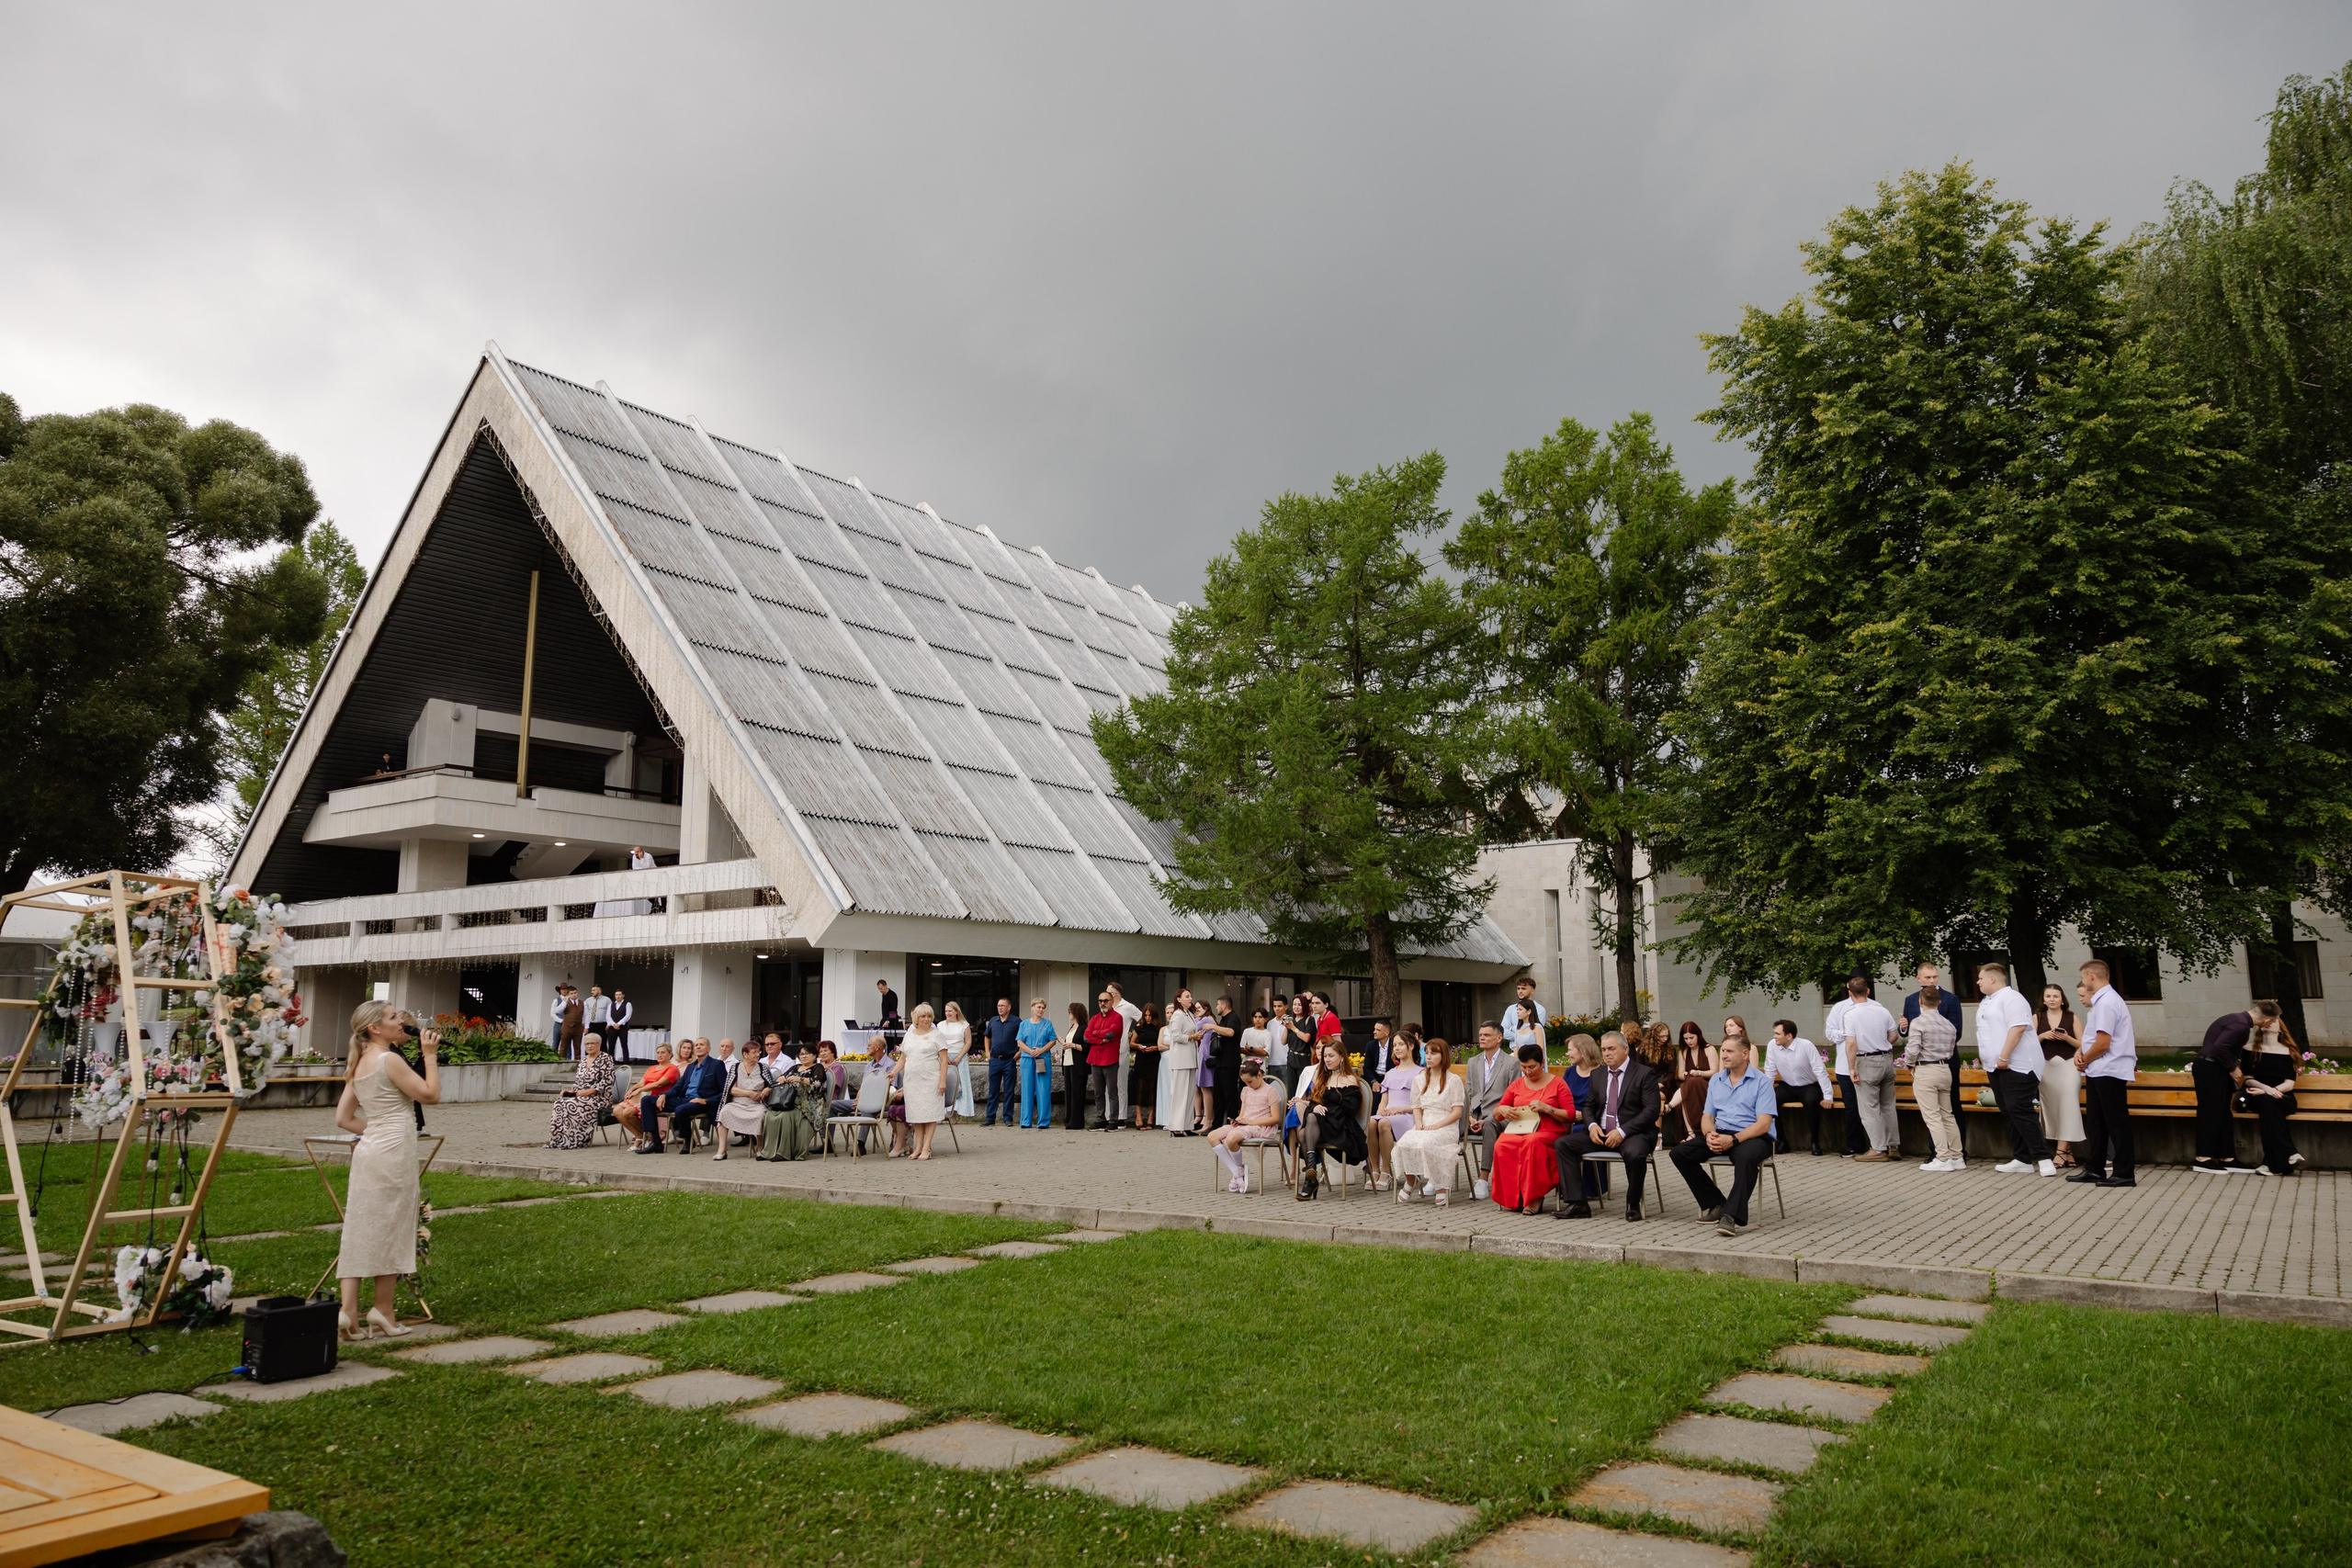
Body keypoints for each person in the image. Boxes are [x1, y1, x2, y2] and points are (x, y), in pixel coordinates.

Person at [334, 1001, 442, 1340]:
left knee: (361, 1227)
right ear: (375, 1028)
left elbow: (343, 1119)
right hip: (394, 1151)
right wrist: (430, 1055)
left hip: (369, 1152)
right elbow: (430, 1095)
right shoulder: (388, 1059)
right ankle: (383, 1310)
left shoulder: (359, 1061)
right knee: (393, 1227)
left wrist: (376, 1131)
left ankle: (347, 1311)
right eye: (393, 1017)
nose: (402, 1022)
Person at [1669, 1032, 1777, 1236]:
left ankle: (1731, 1216)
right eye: (1722, 1051)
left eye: (1729, 1051)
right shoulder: (1717, 1080)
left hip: (1753, 1136)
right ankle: (1716, 1204)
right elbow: (1707, 1116)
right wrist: (1710, 1134)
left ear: (1745, 1054)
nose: (1724, 1055)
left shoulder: (1762, 1082)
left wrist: (1734, 1139)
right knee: (1680, 1154)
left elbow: (1764, 1124)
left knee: (1745, 1158)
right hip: (1722, 1133)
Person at [1558, 1030, 1663, 1222]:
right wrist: (1591, 1126)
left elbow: (1651, 1112)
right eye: (1604, 1049)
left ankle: (1632, 1204)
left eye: (1611, 1049)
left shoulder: (1644, 1074)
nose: (1606, 1053)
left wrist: (1622, 1132)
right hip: (1602, 1132)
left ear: (1625, 1049)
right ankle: (1578, 1203)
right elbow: (1589, 1105)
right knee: (1564, 1145)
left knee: (1635, 1153)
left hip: (1633, 1133)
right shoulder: (1598, 1074)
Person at [2055, 958, 2139, 1188]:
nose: (2083, 982)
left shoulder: (2108, 1002)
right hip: (2098, 1069)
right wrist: (2081, 1053)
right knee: (2097, 1123)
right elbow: (2093, 1037)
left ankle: (2124, 1173)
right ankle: (2095, 1168)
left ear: (2091, 976)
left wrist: (2084, 1060)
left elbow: (2103, 1043)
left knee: (2116, 1123)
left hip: (2109, 1069)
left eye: (2083, 978)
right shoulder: (2101, 1002)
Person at [1974, 962, 2053, 1177]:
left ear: (1993, 979)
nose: (1977, 981)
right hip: (1996, 1066)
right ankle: (2022, 1159)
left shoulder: (2012, 998)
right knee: (2009, 1111)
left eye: (1980, 978)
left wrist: (2004, 1055)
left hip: (2018, 1064)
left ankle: (2044, 1158)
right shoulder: (1987, 1002)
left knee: (2020, 1108)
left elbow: (2017, 1028)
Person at [1487, 1041, 1575, 1214]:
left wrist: (1547, 1109)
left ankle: (1535, 1196)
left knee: (1533, 1143)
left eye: (1532, 1067)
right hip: (1519, 1129)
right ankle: (1514, 1197)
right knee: (1502, 1144)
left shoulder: (1558, 1084)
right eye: (1524, 1067)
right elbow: (1497, 1114)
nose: (1528, 1072)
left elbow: (1570, 1115)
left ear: (1542, 1063)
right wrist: (1502, 1110)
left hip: (1548, 1131)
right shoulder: (1517, 1084)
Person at [2188, 1000, 2271, 1174]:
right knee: (2210, 1112)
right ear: (2266, 1019)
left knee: (2223, 1113)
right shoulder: (2240, 1026)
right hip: (2210, 1069)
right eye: (2272, 1020)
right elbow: (2220, 1048)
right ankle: (2202, 1159)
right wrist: (2233, 1069)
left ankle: (2227, 1157)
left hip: (2214, 1068)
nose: (2270, 1024)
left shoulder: (2236, 1020)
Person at [1390, 1042, 1464, 1205]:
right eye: (1427, 1053)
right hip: (1425, 1123)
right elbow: (1416, 1106)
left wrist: (1437, 1126)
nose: (1429, 1057)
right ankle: (1411, 1180)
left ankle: (1441, 1186)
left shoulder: (1454, 1080)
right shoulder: (1419, 1079)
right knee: (1403, 1144)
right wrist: (1418, 1121)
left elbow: (1457, 1112)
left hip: (1446, 1125)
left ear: (1443, 1056)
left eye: (1434, 1053)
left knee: (1427, 1144)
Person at [1293, 1040, 1367, 1200]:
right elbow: (1313, 1102)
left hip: (1341, 1126)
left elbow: (1349, 1108)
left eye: (1331, 1056)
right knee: (1305, 1127)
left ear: (1341, 1057)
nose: (1327, 1059)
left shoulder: (1350, 1079)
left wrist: (1322, 1111)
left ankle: (1310, 1177)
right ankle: (1311, 1174)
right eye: (1325, 1056)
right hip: (1322, 1126)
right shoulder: (1323, 1079)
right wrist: (1315, 1107)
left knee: (1305, 1129)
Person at [1837, 979, 1899, 1161]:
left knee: (1869, 1108)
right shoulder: (1882, 1010)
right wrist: (1885, 1046)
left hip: (1866, 1061)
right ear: (1868, 991)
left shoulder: (1850, 1014)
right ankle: (1893, 1146)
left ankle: (1878, 1149)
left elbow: (1851, 1043)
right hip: (1886, 1059)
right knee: (1888, 1105)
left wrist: (1851, 1067)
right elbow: (1894, 1035)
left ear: (1850, 993)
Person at [2237, 1009, 2305, 1177]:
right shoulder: (2248, 1049)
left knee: (2270, 1105)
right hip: (2256, 1095)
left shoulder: (2289, 1051)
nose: (2269, 1022)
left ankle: (2273, 1163)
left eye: (2273, 1020)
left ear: (2280, 1028)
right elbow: (2248, 1078)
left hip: (2283, 1097)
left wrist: (2273, 1091)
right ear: (2260, 1025)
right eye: (2266, 1019)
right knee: (2268, 1104)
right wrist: (2266, 1090)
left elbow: (2289, 1084)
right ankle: (2288, 1154)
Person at [1902, 994, 1965, 1170]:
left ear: (1920, 1002)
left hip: (1926, 1070)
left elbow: (1913, 1047)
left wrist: (1908, 1063)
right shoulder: (1948, 1024)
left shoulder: (1918, 1022)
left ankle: (1943, 1158)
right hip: (1945, 1069)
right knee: (1947, 1114)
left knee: (1932, 1116)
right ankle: (1957, 1156)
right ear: (1939, 1002)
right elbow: (1952, 1048)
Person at [1207, 1060, 1285, 1193]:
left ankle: (1238, 1173)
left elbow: (1275, 1118)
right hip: (1245, 1125)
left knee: (1232, 1138)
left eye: (1250, 1081)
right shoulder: (1246, 1090)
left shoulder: (1270, 1091)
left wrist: (1251, 1122)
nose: (1248, 1085)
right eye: (1245, 1082)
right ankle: (1237, 1171)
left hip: (1260, 1127)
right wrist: (1237, 1121)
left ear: (1259, 1075)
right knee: (1212, 1136)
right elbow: (1242, 1113)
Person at [2035, 983, 2084, 1169]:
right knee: (2053, 1108)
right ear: (2044, 999)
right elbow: (2029, 1042)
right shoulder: (2037, 1017)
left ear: (2062, 999)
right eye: (2048, 996)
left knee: (2069, 1104)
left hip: (2069, 1065)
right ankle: (2067, 1152)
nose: (2052, 999)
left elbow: (2082, 1043)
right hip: (2047, 1067)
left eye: (2056, 996)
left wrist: (2067, 1039)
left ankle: (2060, 1152)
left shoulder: (2072, 1017)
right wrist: (2043, 1036)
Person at [1462, 1021, 1514, 1196]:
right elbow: (1469, 1094)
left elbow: (1512, 1098)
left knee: (1490, 1124)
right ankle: (1437, 1179)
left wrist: (1486, 1119)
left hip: (1501, 1115)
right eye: (1481, 1035)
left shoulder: (1511, 1063)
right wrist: (1469, 1117)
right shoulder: (1473, 1062)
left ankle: (1483, 1180)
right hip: (1475, 1115)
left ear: (1499, 1038)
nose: (1482, 1038)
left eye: (1487, 1035)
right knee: (1449, 1123)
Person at [1822, 975, 1871, 1157]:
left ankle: (1877, 1145)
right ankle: (1855, 1145)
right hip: (1845, 1065)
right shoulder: (1839, 1008)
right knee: (1851, 1107)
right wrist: (1847, 1032)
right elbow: (1830, 1033)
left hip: (1868, 1063)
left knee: (1871, 1105)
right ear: (1849, 991)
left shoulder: (1875, 1007)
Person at [895, 1003, 952, 1160]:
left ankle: (927, 1147)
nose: (926, 1019)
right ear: (916, 1018)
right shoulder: (910, 1034)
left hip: (931, 1080)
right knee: (917, 1115)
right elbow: (903, 1058)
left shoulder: (937, 1035)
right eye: (923, 1016)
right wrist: (893, 1072)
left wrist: (942, 1081)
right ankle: (918, 1147)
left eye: (929, 1016)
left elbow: (944, 1061)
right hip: (912, 1081)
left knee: (930, 1113)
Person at [1763, 1021, 1828, 1157]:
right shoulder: (1772, 1046)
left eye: (1777, 1033)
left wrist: (1828, 1096)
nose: (1774, 1036)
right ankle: (1782, 1142)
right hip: (1788, 1086)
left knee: (1811, 1101)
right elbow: (1770, 1071)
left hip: (1809, 1085)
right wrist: (1766, 1094)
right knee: (1771, 1102)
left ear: (1789, 1036)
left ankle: (1815, 1142)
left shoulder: (1806, 1045)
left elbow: (1820, 1070)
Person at [1557, 1035, 1610, 1202]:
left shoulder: (1602, 1073)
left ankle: (1591, 1188)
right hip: (1569, 1119)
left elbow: (1605, 1103)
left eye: (1570, 1049)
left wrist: (1584, 1116)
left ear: (1582, 1050)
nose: (1567, 1054)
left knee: (1577, 1136)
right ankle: (1563, 1185)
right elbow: (1561, 1097)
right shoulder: (1570, 1072)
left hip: (1593, 1121)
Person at [654, 1038, 726, 1155]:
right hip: (685, 1099)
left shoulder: (716, 1065)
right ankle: (655, 1142)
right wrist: (663, 1095)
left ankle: (688, 1140)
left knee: (681, 1110)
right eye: (696, 1045)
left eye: (701, 1045)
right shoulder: (691, 1066)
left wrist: (706, 1100)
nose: (697, 1047)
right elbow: (678, 1087)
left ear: (708, 1049)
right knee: (648, 1101)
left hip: (701, 1102)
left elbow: (725, 1091)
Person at [547, 1032, 616, 1148]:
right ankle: (560, 1139)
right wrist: (571, 1091)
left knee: (570, 1104)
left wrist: (588, 1092)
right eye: (587, 1044)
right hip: (581, 1095)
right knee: (559, 1102)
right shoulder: (583, 1060)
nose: (589, 1046)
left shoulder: (606, 1058)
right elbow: (578, 1082)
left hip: (599, 1098)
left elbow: (607, 1081)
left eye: (592, 1043)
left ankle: (576, 1139)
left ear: (599, 1044)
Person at [758, 1044, 826, 1161]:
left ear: (814, 1056)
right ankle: (768, 1152)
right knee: (770, 1114)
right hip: (788, 1101)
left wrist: (800, 1079)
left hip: (807, 1104)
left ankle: (783, 1153)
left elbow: (818, 1083)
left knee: (785, 1116)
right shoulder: (795, 1067)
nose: (804, 1056)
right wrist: (781, 1079)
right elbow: (780, 1078)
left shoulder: (817, 1067)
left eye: (807, 1053)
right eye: (801, 1054)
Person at [713, 1036, 775, 1160]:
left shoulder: (763, 1067)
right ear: (745, 1054)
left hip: (756, 1104)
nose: (758, 1055)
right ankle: (722, 1149)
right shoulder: (735, 1067)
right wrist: (748, 1093)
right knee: (724, 1112)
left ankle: (760, 1147)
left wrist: (767, 1089)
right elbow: (731, 1089)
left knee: (761, 1115)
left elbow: (772, 1085)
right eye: (754, 1052)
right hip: (738, 1103)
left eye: (758, 1052)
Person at [1369, 1043, 1418, 1192]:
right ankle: (1375, 1170)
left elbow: (1420, 1104)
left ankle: (1386, 1171)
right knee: (1371, 1122)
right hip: (1390, 1113)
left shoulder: (1420, 1073)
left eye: (1401, 1044)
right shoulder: (1390, 1073)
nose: (1397, 1048)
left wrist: (1400, 1109)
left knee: (1383, 1123)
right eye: (1395, 1045)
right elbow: (1384, 1100)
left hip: (1408, 1114)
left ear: (1411, 1046)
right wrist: (1382, 1108)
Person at [612, 1041, 676, 1149]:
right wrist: (631, 1090)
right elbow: (641, 1082)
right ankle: (640, 1136)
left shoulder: (672, 1068)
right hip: (642, 1095)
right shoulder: (652, 1068)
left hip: (657, 1098)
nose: (659, 1055)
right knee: (617, 1110)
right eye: (658, 1052)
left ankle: (648, 1136)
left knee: (628, 1112)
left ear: (670, 1054)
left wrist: (639, 1090)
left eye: (663, 1052)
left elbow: (659, 1083)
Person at [1667, 1021, 1715, 1144]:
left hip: (1707, 1085)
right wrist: (1685, 1074)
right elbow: (1681, 1074)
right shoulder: (1683, 1051)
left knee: (1692, 1083)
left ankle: (1669, 1106)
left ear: (1698, 1035)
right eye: (1686, 1038)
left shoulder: (1709, 1049)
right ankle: (1691, 1133)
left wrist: (1699, 1073)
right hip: (1689, 1085)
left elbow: (1715, 1072)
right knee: (1689, 1085)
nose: (1689, 1041)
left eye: (1691, 1038)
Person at [1083, 993, 1124, 1129]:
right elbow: (1086, 1037)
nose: (1102, 1003)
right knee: (1098, 1093)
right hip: (1095, 1059)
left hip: (1110, 1059)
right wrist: (1100, 1039)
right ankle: (1100, 1119)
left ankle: (1113, 1120)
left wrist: (1096, 1033)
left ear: (1112, 1001)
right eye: (1100, 1001)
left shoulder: (1117, 1017)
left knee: (1112, 1092)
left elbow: (1111, 1033)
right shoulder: (1095, 1018)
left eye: (1105, 1000)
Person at [1160, 988, 1198, 1135]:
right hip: (1181, 1058)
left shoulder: (1188, 1014)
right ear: (1179, 999)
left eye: (1191, 996)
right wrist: (1191, 1037)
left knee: (1189, 1094)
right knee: (1179, 1093)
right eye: (1187, 996)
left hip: (1190, 1057)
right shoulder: (1177, 1014)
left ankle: (1187, 1125)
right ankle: (1176, 1126)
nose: (1190, 998)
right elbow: (1175, 1036)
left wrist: (1194, 1037)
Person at [1016, 999, 1057, 1129]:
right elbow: (1019, 1042)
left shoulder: (1048, 1024)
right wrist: (1030, 1051)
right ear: (1032, 1008)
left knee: (1043, 1090)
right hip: (1027, 1059)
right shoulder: (1024, 1024)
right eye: (1039, 1007)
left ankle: (1043, 1121)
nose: (1041, 1010)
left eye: (1043, 1008)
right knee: (1027, 1089)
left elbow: (1053, 1041)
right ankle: (1025, 1121)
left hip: (1043, 1059)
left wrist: (1041, 1050)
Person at [1106, 982, 1143, 1124]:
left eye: (1108, 992)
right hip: (1107, 1050)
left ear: (1114, 994)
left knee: (1120, 1084)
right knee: (1107, 1085)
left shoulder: (1128, 1007)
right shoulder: (1107, 1007)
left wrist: (1132, 1034)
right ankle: (1110, 1116)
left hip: (1121, 1050)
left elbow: (1142, 1020)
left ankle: (1121, 1117)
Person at [982, 998, 1023, 1127]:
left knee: (1009, 1090)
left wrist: (1020, 1051)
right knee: (993, 1090)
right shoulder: (993, 1021)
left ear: (1009, 1007)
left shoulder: (1016, 1022)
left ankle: (1008, 1118)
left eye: (1003, 1006)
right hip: (994, 1060)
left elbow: (1023, 1038)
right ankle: (990, 1118)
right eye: (999, 1005)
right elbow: (987, 1036)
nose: (1000, 1008)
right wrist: (987, 1052)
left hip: (1009, 1060)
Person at [1208, 998, 1243, 1128]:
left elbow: (1231, 1032)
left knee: (1230, 1094)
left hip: (1230, 1063)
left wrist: (1213, 1026)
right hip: (1220, 1062)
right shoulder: (1223, 1019)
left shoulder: (1233, 1018)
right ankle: (1217, 1124)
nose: (1216, 1007)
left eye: (1217, 1004)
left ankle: (1232, 1122)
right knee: (1219, 1095)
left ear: (1224, 1005)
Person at [1128, 1002, 1164, 1130]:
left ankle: (1150, 1118)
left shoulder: (1160, 1027)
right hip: (1142, 1059)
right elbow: (1132, 1042)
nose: (1148, 1018)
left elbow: (1162, 1044)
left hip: (1154, 1059)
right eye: (1146, 1015)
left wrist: (1155, 1048)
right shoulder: (1140, 1026)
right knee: (1140, 1088)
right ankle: (1138, 1118)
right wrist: (1138, 1046)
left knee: (1152, 1089)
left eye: (1150, 1015)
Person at [1061, 1001, 1091, 1131]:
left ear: (1076, 1012)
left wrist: (1073, 1045)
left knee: (1077, 1094)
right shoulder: (1072, 1026)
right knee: (1068, 1093)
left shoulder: (1084, 1028)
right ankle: (1069, 1120)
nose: (1069, 1013)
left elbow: (1088, 1047)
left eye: (1071, 1011)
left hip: (1078, 1065)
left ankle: (1077, 1122)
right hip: (1067, 1062)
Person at [1502, 977, 1547, 1058]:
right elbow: (1502, 1031)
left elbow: (1535, 1031)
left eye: (1524, 988)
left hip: (1532, 1054)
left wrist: (1513, 1029)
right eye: (1518, 988)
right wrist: (1520, 1035)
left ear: (1532, 991)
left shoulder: (1539, 1009)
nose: (1520, 991)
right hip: (1514, 1052)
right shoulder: (1511, 1009)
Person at [1280, 996, 1315, 1096]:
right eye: (1294, 1004)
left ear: (1304, 1006)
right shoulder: (1292, 1020)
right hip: (1291, 1057)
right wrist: (1287, 1027)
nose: (1296, 1007)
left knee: (1303, 1090)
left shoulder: (1309, 1019)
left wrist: (1293, 1028)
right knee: (1292, 1090)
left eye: (1299, 1005)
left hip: (1304, 1059)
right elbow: (1283, 1041)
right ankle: (1292, 1110)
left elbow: (1306, 1038)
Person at [558, 984, 584, 1059]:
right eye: (571, 994)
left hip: (578, 1027)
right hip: (567, 1026)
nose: (574, 995)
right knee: (564, 1045)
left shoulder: (583, 1003)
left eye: (575, 993)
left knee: (577, 1046)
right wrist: (565, 1001)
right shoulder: (565, 1002)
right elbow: (558, 1011)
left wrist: (586, 1026)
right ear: (569, 994)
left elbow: (586, 1015)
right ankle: (561, 1062)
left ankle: (577, 1063)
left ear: (577, 993)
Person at [607, 988, 634, 1061]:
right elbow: (608, 1016)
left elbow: (628, 1015)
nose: (618, 996)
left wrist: (619, 1023)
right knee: (611, 1045)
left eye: (619, 995)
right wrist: (613, 1024)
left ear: (623, 995)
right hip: (612, 1027)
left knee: (624, 1044)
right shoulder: (611, 1005)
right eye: (616, 995)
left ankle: (626, 1061)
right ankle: (611, 1061)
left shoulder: (627, 1004)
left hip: (622, 1027)